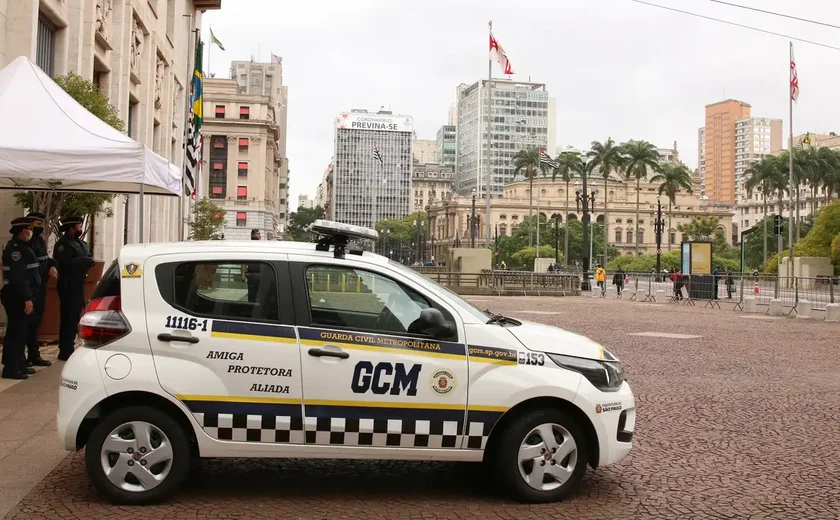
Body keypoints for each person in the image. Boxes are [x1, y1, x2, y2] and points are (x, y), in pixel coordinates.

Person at [1, 217, 41, 379]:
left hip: (22, 294)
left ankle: (19, 363)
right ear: (21, 231)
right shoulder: (15, 249)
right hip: (16, 295)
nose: (30, 232)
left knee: (21, 331)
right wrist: (27, 298)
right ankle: (10, 368)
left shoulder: (25, 247)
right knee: (16, 332)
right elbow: (18, 277)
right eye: (28, 229)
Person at [53, 215, 95, 361]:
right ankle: (65, 349)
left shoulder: (81, 244)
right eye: (78, 225)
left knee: (77, 315)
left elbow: (89, 259)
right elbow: (64, 263)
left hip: (78, 282)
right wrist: (84, 261)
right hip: (68, 284)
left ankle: (71, 345)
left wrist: (85, 261)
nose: (80, 228)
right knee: (68, 317)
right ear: (71, 228)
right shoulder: (63, 244)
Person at [23, 212, 56, 367]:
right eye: (38, 224)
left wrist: (52, 265)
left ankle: (33, 354)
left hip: (40, 285)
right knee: (26, 323)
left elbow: (45, 259)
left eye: (42, 224)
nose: (41, 227)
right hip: (29, 288)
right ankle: (21, 357)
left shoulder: (40, 241)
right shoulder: (26, 243)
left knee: (36, 322)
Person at [244, 229, 261, 302]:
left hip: (261, 273)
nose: (254, 236)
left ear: (260, 236)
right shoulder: (248, 246)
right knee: (252, 294)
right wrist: (242, 273)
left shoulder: (263, 246)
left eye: (256, 235)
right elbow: (244, 261)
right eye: (253, 235)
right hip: (251, 273)